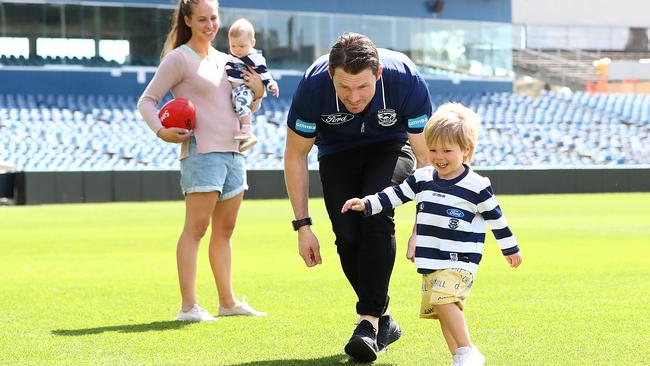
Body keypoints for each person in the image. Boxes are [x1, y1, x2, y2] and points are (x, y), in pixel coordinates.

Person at [284, 32, 432, 362]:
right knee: (348, 236)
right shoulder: (312, 87)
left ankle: (367, 323)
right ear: (330, 77)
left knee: (376, 210)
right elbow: (295, 155)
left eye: (363, 87)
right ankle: (384, 320)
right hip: (337, 153)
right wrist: (303, 226)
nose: (354, 97)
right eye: (344, 88)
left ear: (378, 75)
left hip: (392, 146)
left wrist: (422, 225)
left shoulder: (405, 78)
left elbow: (426, 159)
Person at [341, 102, 523, 366]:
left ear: (466, 150)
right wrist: (367, 203)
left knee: (444, 300)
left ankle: (469, 349)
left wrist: (510, 248)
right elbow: (395, 195)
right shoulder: (424, 177)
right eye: (433, 149)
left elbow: (497, 219)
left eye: (447, 150)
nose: (439, 156)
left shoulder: (477, 186)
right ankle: (459, 357)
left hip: (459, 260)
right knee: (440, 308)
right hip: (430, 260)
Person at [137, 0, 266, 322]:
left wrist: (258, 92)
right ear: (188, 20)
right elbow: (147, 101)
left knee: (226, 230)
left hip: (235, 153)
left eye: (214, 18)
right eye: (203, 19)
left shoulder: (227, 60)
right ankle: (188, 307)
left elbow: (243, 107)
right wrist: (161, 131)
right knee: (196, 228)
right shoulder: (178, 59)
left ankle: (228, 302)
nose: (210, 25)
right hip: (202, 153)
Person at [226, 18, 279, 152]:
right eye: (233, 46)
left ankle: (247, 130)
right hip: (233, 93)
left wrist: (271, 84)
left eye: (241, 46)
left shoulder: (254, 59)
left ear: (252, 43)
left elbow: (264, 73)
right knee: (236, 107)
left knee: (240, 99)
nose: (237, 50)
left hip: (245, 90)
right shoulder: (229, 57)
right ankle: (244, 138)